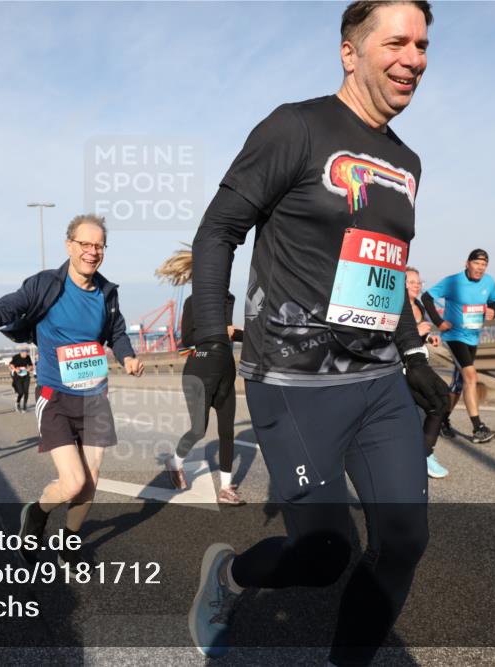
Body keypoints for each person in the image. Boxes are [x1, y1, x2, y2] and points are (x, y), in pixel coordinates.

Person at [186, 2, 449, 664]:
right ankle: (230, 575)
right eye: (397, 43)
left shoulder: (408, 161)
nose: (413, 59)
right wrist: (212, 338)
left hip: (378, 379)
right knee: (325, 553)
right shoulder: (295, 127)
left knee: (403, 541)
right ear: (349, 52)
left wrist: (414, 355)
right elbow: (218, 229)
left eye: (422, 45)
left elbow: (384, 269)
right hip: (293, 380)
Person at [0, 214, 144, 568]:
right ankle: (36, 515)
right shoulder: (45, 286)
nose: (92, 251)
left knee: (91, 482)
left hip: (95, 396)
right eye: (85, 244)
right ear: (69, 245)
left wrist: (127, 357)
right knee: (73, 482)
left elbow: (117, 332)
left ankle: (68, 545)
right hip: (56, 396)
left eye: (99, 245)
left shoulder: (106, 293)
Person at [155, 248, 245, 505]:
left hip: (226, 370)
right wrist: (218, 331)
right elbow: (186, 344)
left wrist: (245, 335)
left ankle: (226, 488)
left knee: (227, 431)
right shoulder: (193, 302)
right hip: (199, 369)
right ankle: (175, 462)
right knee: (198, 429)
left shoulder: (228, 298)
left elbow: (229, 334)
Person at [420, 249, 495, 444]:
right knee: (471, 376)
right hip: (454, 336)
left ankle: (442, 421)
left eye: (484, 264)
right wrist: (439, 322)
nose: (480, 268)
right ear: (467, 263)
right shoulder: (453, 281)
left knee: (458, 383)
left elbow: (494, 301)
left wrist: (493, 311)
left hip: (473, 337)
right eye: (476, 263)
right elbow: (427, 297)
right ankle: (478, 428)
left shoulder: (489, 282)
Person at [406, 267, 447, 478]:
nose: (417, 285)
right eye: (411, 282)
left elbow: (419, 335)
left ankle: (423, 452)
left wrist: (430, 338)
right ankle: (424, 454)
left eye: (419, 282)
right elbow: (396, 337)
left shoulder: (418, 306)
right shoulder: (398, 308)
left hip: (420, 362)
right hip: (407, 365)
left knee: (429, 408)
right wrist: (417, 332)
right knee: (436, 405)